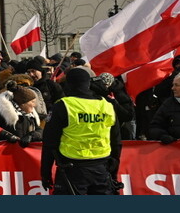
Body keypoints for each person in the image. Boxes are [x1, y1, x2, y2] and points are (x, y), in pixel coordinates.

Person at [41, 67, 122, 195]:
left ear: (68, 84)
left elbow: (49, 142)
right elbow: (116, 141)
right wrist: (113, 171)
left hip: (72, 169)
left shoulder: (63, 105)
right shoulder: (106, 105)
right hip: (101, 168)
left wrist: (45, 173)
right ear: (88, 84)